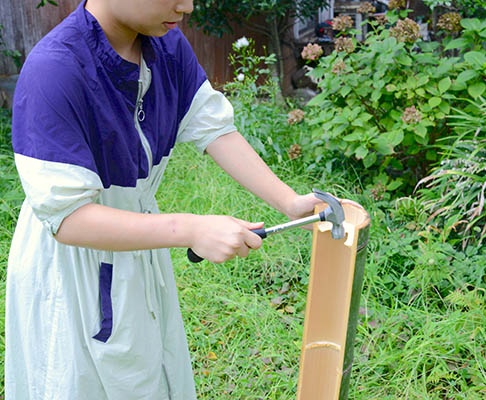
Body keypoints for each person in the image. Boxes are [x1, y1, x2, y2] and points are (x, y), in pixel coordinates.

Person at [5, 0, 341, 398]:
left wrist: (289, 202)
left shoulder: (165, 43)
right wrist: (192, 229)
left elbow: (213, 127)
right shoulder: (54, 70)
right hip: (71, 271)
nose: (188, 6)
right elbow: (69, 219)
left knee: (150, 375)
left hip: (140, 244)